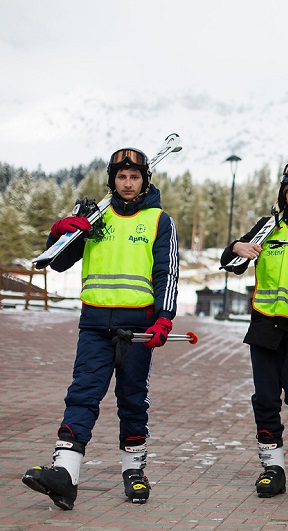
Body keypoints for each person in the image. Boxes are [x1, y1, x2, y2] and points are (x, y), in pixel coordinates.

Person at [22, 147, 179, 510]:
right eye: (121, 177)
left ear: (144, 181)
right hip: (94, 324)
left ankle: (134, 472)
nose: (127, 183)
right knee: (82, 395)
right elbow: (58, 262)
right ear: (113, 180)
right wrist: (60, 230)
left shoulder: (159, 220)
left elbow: (166, 272)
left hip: (137, 326)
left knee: (132, 399)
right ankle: (66, 476)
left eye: (134, 177)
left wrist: (164, 317)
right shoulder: (94, 216)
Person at [219, 160, 288, 499]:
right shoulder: (267, 226)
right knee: (265, 398)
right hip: (265, 325)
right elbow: (232, 261)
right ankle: (272, 467)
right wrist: (236, 247)